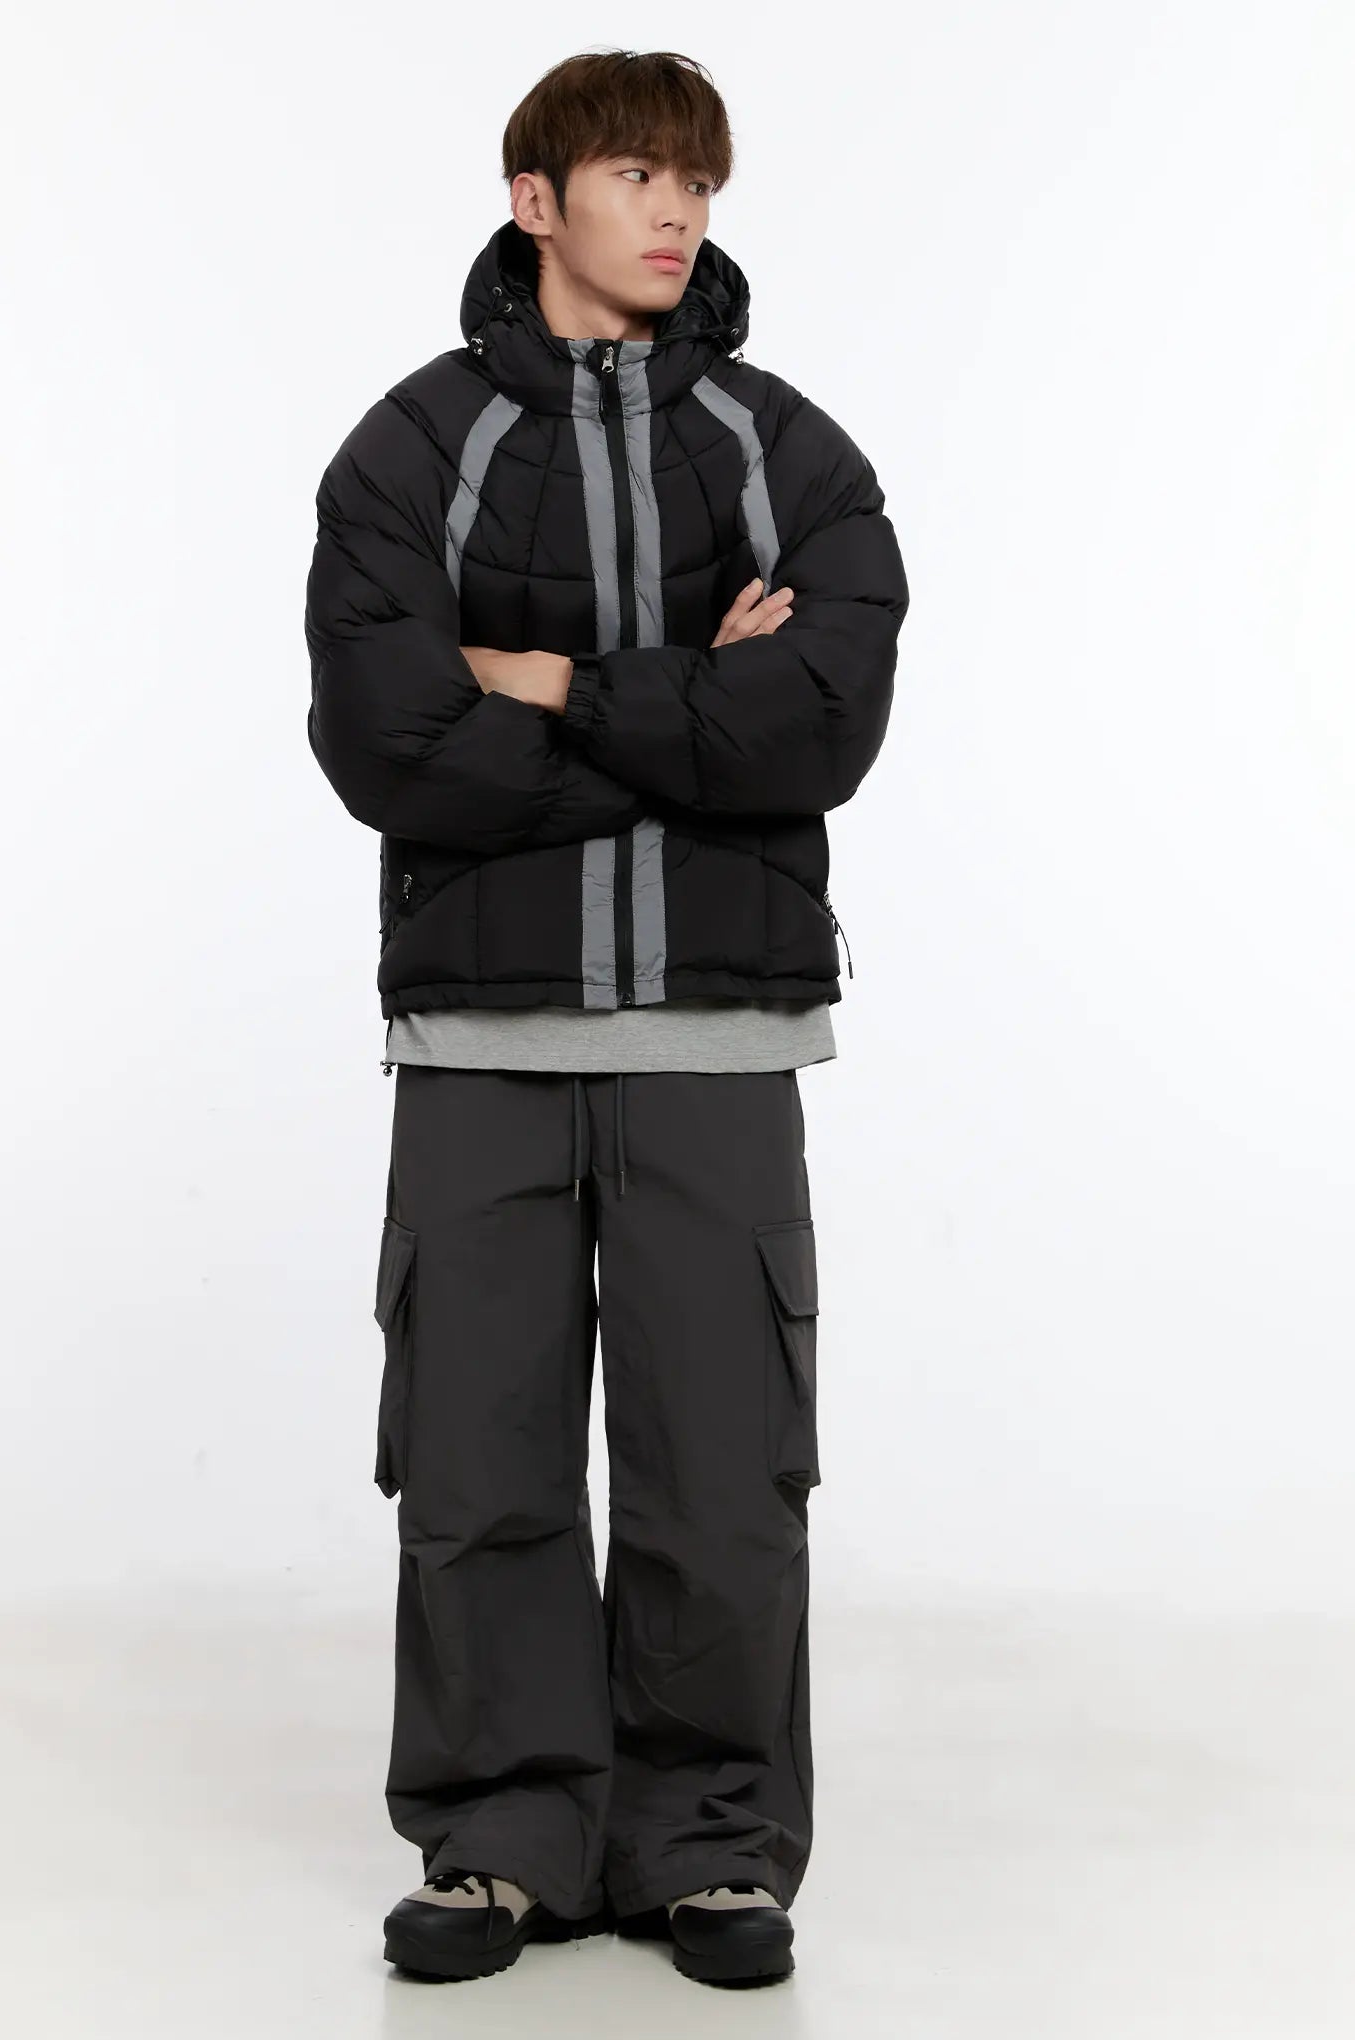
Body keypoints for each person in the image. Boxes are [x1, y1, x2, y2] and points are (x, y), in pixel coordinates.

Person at [303, 47, 909, 1987]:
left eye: (698, 183)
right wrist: (686, 717)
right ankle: (502, 1837)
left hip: (719, 1037)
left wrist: (550, 680)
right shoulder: (409, 451)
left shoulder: (790, 453)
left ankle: (708, 1845)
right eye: (639, 173)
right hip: (480, 1040)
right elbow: (391, 742)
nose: (676, 213)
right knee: (476, 1466)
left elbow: (821, 725)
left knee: (724, 1473)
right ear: (535, 197)